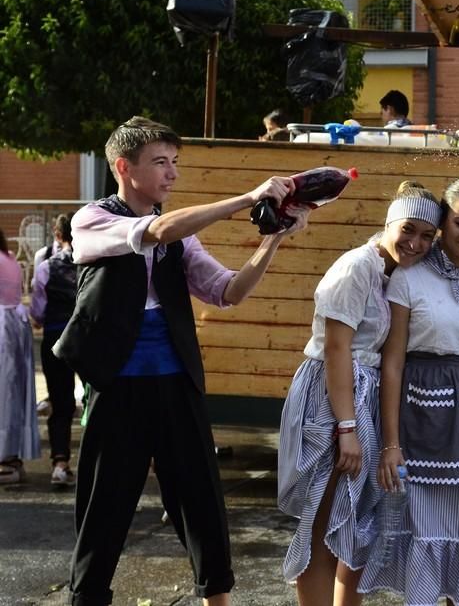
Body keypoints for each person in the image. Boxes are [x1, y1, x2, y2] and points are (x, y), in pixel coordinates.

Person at [52, 116, 311, 606]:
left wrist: (273, 236)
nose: (172, 173)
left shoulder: (180, 237)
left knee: (204, 508)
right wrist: (246, 199)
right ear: (124, 167)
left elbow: (229, 292)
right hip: (118, 388)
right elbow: (158, 230)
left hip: (177, 385)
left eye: (175, 163)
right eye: (160, 163)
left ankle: (218, 599)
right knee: (102, 515)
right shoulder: (92, 221)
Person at [278, 180, 441, 606]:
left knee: (349, 521)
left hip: (358, 395)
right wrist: (346, 427)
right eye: (408, 230)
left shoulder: (394, 270)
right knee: (321, 516)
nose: (416, 243)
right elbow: (336, 347)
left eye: (427, 236)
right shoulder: (357, 267)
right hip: (330, 397)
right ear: (388, 223)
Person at [360, 177, 459, 606]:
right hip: (419, 421)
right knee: (423, 532)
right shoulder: (409, 278)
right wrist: (391, 443)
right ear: (443, 223)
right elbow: (393, 362)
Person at [29, 213, 80, 486]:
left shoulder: (46, 267)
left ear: (58, 236)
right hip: (86, 340)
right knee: (98, 399)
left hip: (55, 339)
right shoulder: (91, 264)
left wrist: (39, 319)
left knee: (60, 403)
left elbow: (38, 310)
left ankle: (60, 463)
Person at [0, 227, 40, 484]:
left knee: (3, 394)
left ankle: (5, 458)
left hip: (4, 327)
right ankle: (11, 456)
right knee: (12, 392)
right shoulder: (10, 258)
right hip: (15, 325)